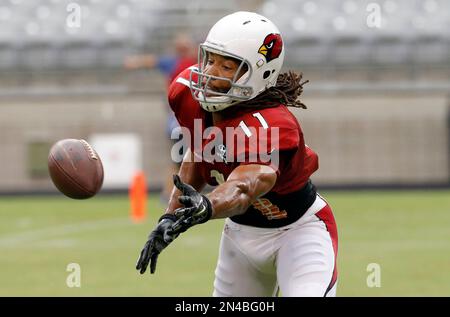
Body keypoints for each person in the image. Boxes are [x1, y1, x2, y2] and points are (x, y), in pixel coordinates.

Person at [136, 11, 338, 297]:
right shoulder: (186, 93)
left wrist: (206, 205)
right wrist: (170, 216)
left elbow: (244, 188)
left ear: (259, 73)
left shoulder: (273, 124)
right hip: (241, 236)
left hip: (299, 232)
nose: (210, 73)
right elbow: (198, 149)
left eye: (227, 66)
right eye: (210, 60)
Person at [124, 34, 197, 200]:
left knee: (182, 159)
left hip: (184, 120)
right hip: (180, 121)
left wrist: (135, 62)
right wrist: (135, 62)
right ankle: (171, 193)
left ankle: (172, 192)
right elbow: (152, 61)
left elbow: (151, 61)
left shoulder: (186, 63)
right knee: (181, 159)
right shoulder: (179, 63)